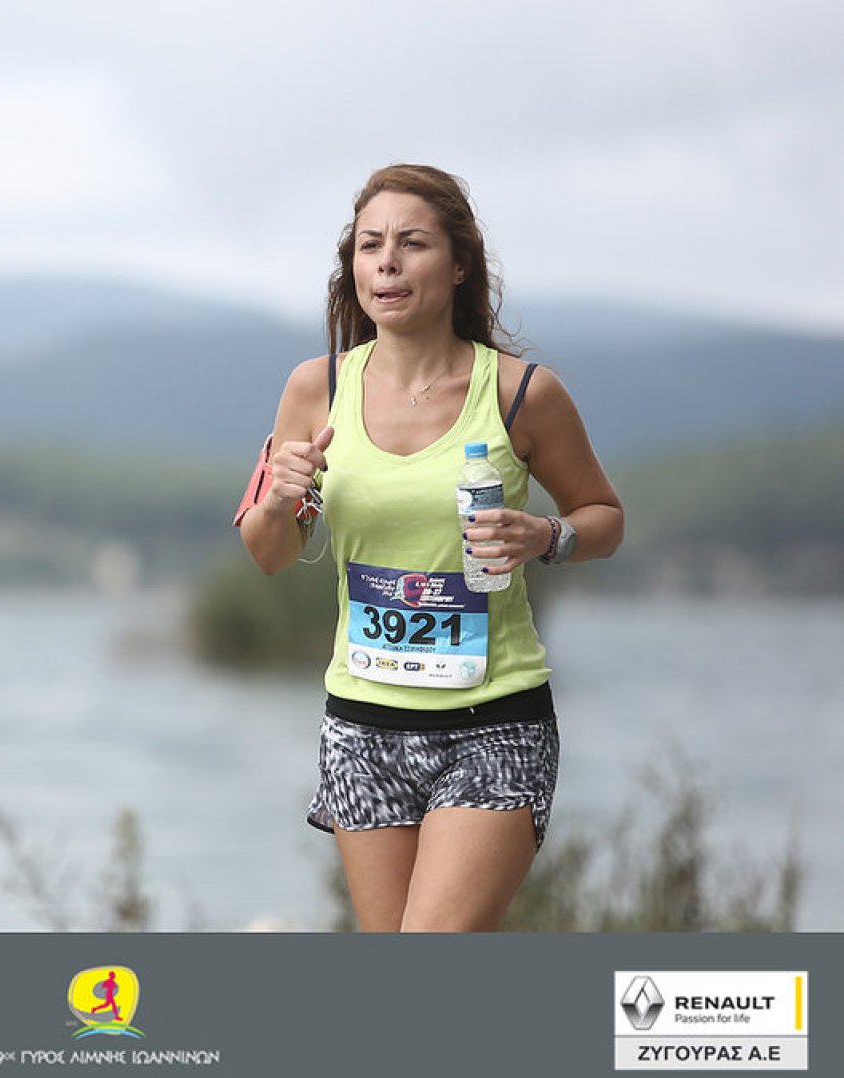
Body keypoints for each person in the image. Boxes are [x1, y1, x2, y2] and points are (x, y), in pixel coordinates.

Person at [236, 163, 623, 931]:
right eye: (370, 245)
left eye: (412, 243)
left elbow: (603, 517)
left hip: (494, 720)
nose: (387, 262)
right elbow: (269, 553)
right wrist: (280, 498)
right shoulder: (315, 388)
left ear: (459, 263)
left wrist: (547, 535)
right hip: (362, 724)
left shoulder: (521, 393)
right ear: (353, 266)